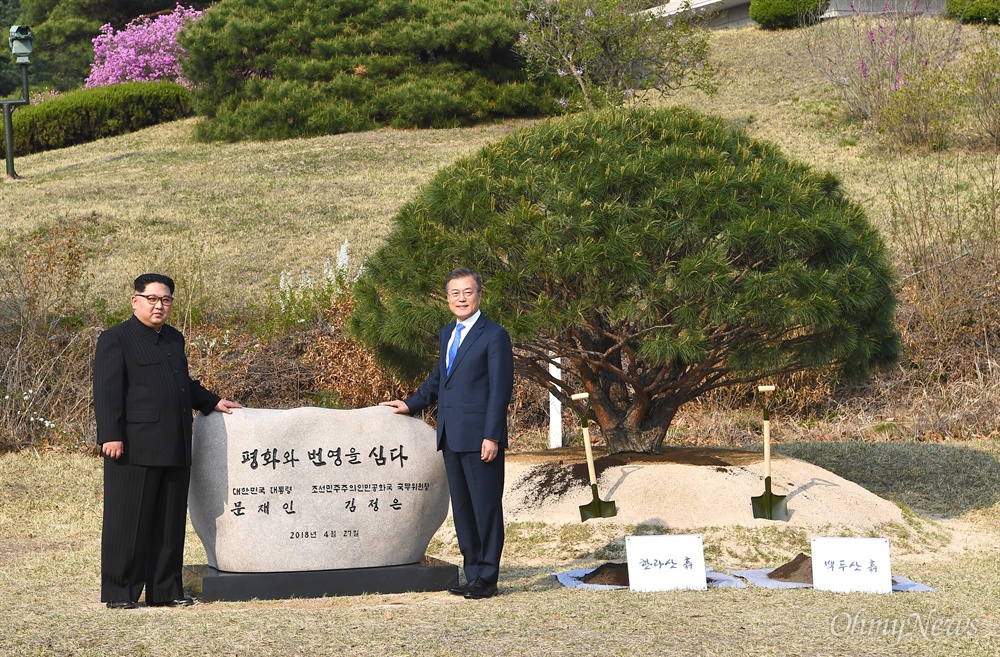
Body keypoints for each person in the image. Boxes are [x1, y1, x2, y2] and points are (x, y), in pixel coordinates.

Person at [94, 273, 241, 609]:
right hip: (133, 446)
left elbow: (181, 384)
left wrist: (211, 401)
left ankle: (166, 590)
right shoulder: (116, 338)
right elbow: (107, 391)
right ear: (135, 301)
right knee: (127, 520)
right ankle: (121, 592)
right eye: (152, 299)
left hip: (175, 442)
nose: (159, 306)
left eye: (166, 300)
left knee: (169, 521)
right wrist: (111, 435)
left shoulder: (174, 339)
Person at [381, 267, 514, 600]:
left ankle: (488, 578)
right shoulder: (447, 334)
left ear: (479, 295)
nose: (461, 299)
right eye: (455, 293)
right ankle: (472, 575)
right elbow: (439, 380)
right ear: (447, 299)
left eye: (468, 292)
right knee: (464, 511)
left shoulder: (494, 334)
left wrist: (492, 435)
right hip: (451, 437)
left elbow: (500, 389)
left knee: (486, 508)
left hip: (481, 438)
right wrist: (410, 404)